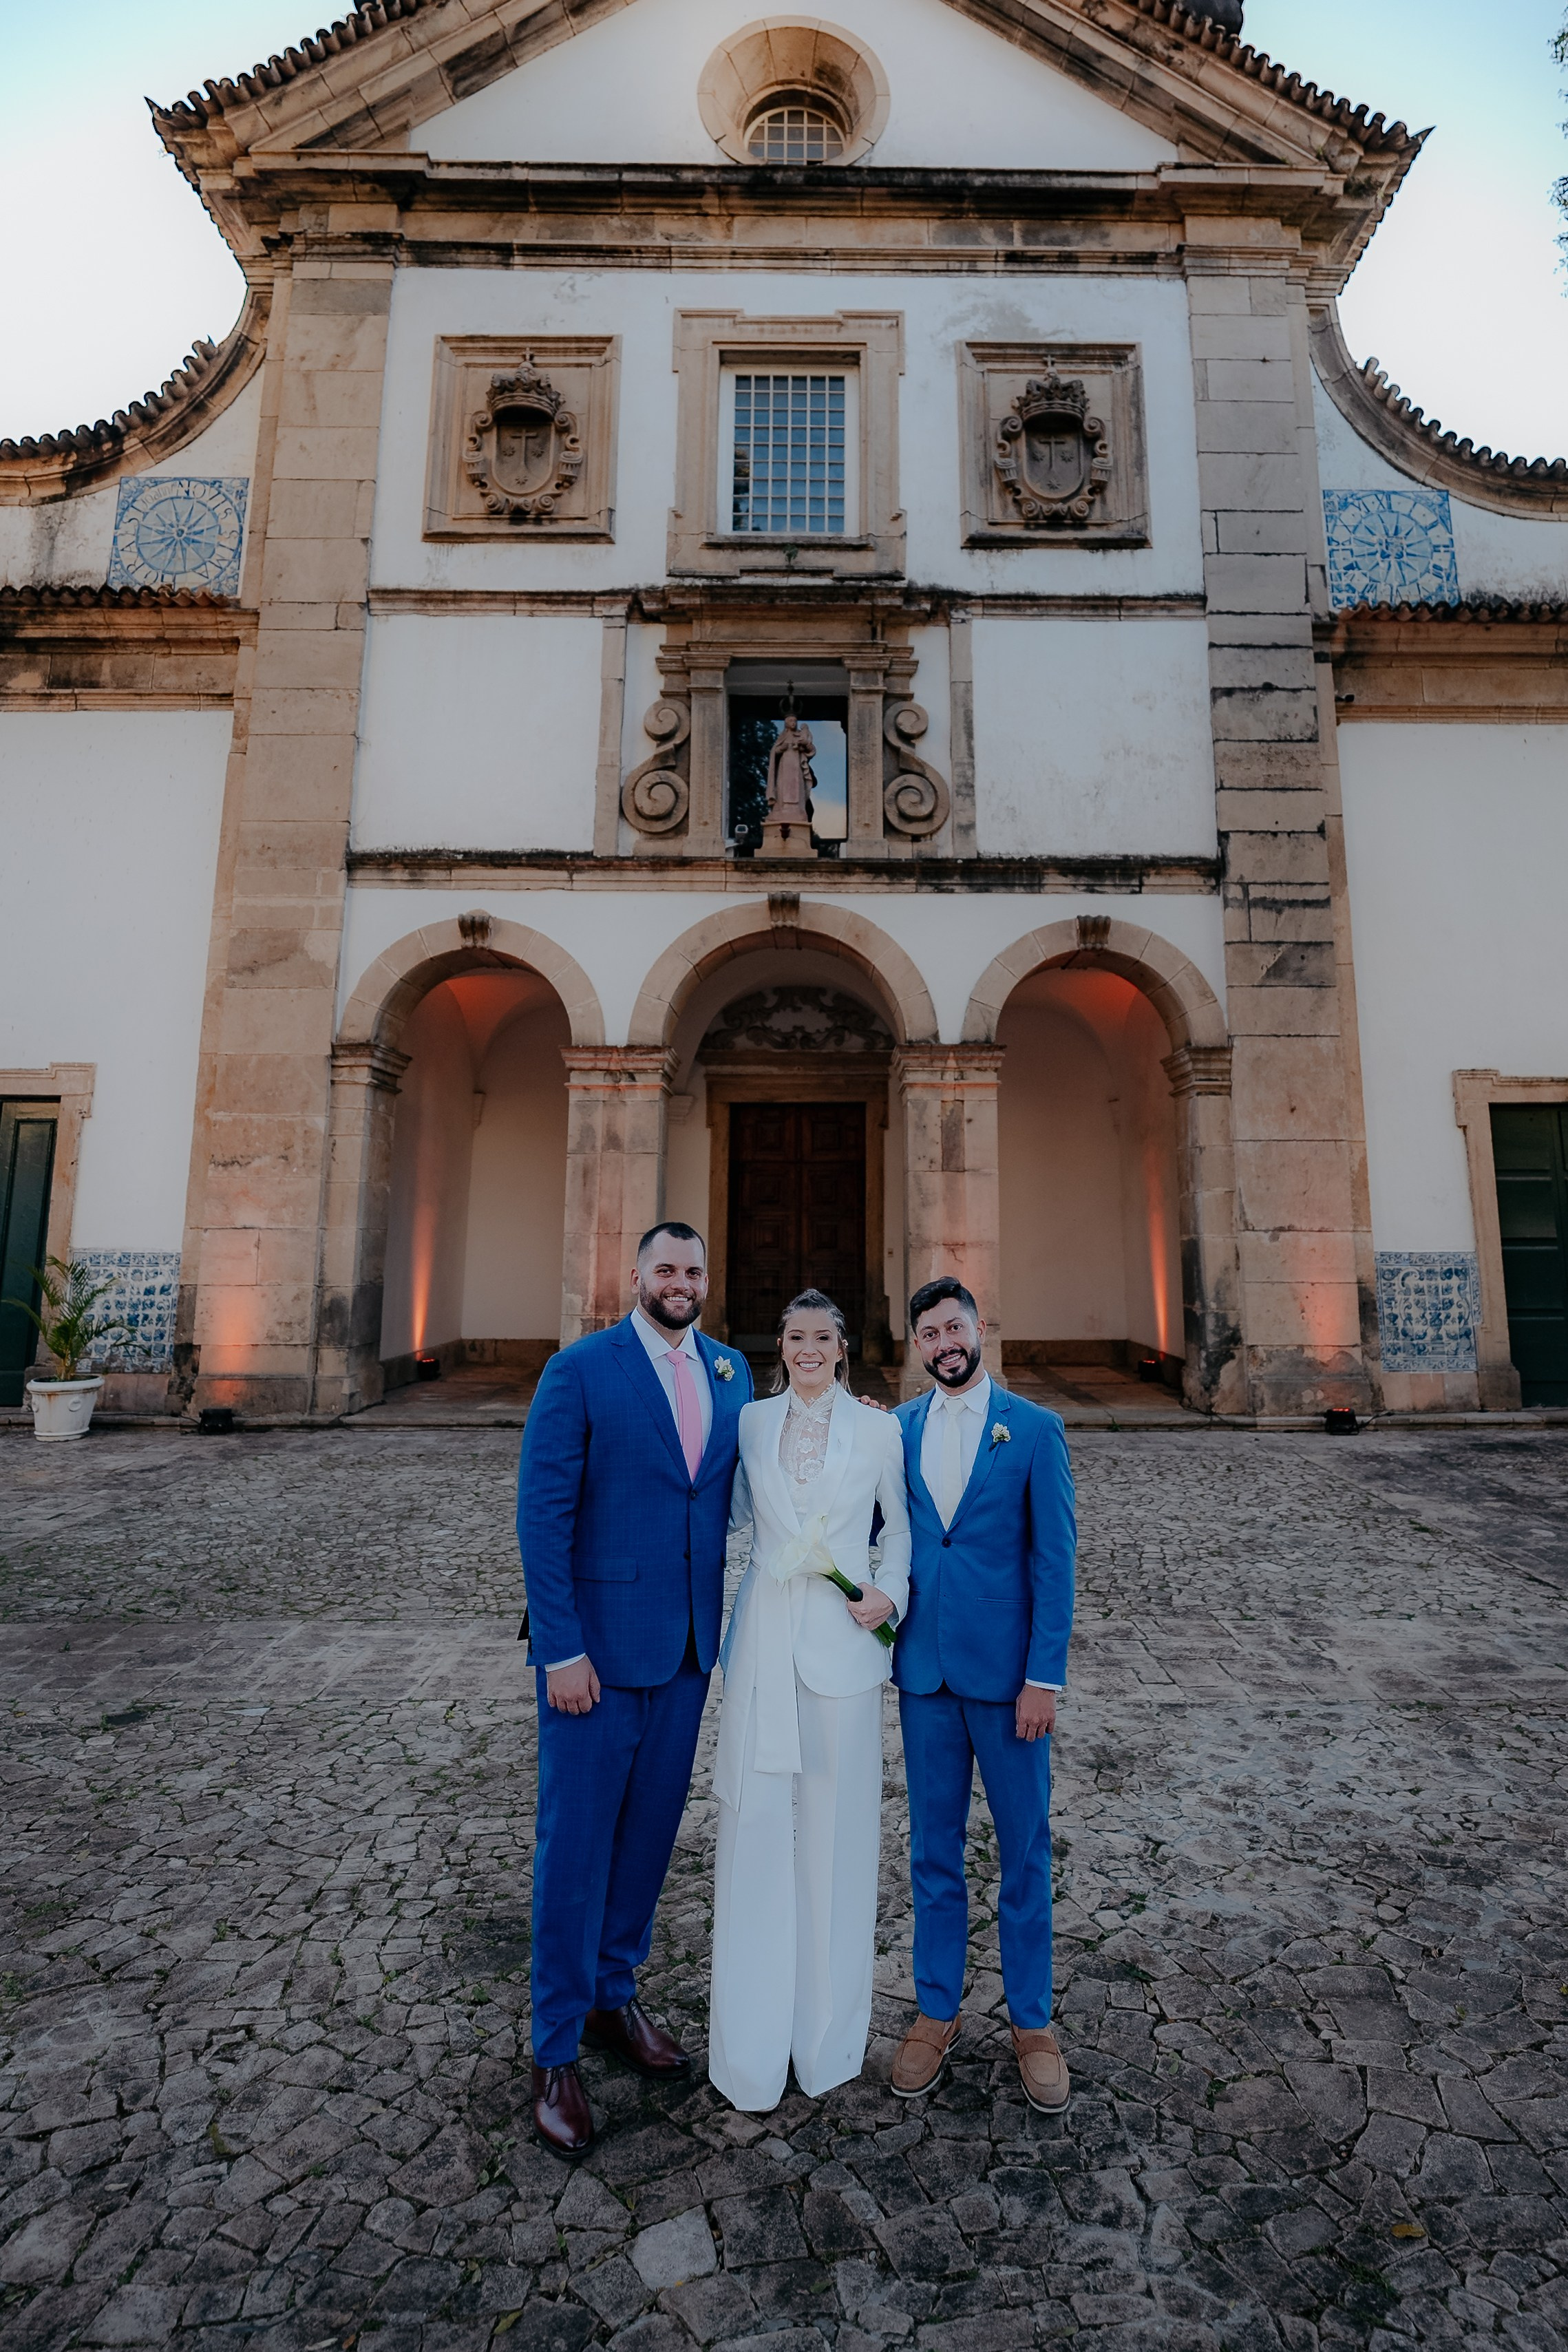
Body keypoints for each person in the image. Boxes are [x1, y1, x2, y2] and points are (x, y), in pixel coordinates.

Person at [516, 1222, 753, 2158]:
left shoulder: (731, 1370)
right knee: (574, 1848)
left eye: (693, 1270)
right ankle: (554, 2048)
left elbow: (756, 1484)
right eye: (665, 1269)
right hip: (597, 1660)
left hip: (687, 1653)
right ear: (636, 1277)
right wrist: (560, 1651)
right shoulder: (579, 1371)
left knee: (649, 1838)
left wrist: (851, 1434)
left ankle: (613, 1996)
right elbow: (542, 1517)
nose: (680, 1282)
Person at [708, 1289, 911, 2112]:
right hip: (763, 1638)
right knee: (754, 1827)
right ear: (781, 1346)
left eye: (823, 1336)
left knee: (837, 1837)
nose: (808, 1349)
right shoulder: (752, 1424)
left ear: (842, 1346)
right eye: (795, 1336)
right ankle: (749, 2048)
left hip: (843, 1645)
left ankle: (826, 2042)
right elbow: (717, 1512)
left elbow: (899, 1530)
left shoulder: (879, 1430)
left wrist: (890, 1594)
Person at [890, 1278, 1076, 2113]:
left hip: (1009, 1687)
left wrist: (1042, 1678)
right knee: (933, 1851)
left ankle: (1031, 2023)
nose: (945, 1343)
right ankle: (937, 2011)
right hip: (924, 1676)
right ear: (917, 1346)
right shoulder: (895, 1430)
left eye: (954, 1327)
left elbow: (1054, 1562)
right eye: (929, 1333)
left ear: (980, 1329)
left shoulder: (1033, 1430)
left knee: (1023, 1852)